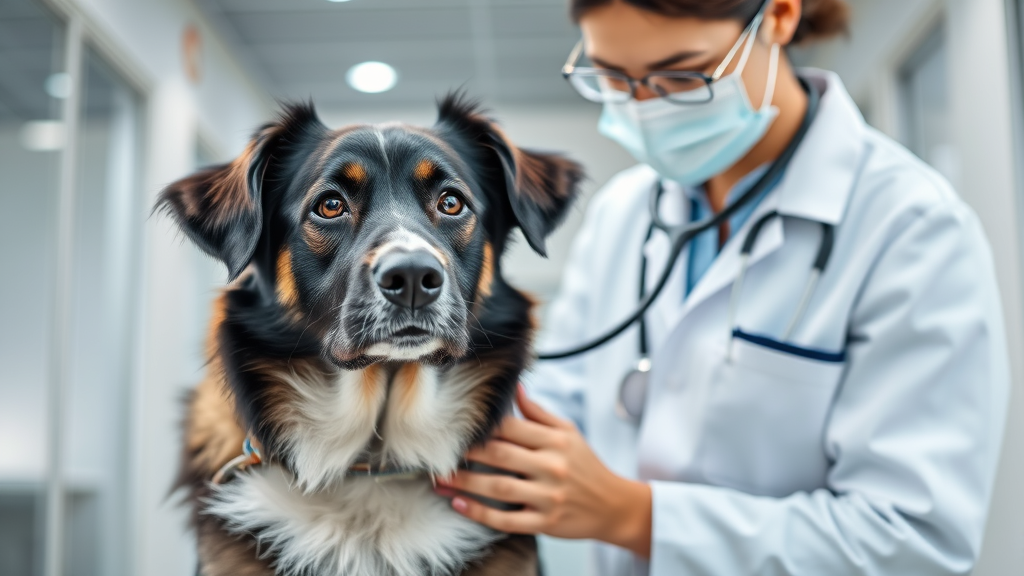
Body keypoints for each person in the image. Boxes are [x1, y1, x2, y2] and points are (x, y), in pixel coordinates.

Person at [434, 0, 1010, 574]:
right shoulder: (625, 213)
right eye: (613, 77)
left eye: (682, 75)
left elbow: (911, 541)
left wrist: (634, 515)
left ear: (779, 16)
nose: (644, 106)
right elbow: (557, 403)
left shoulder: (912, 228)